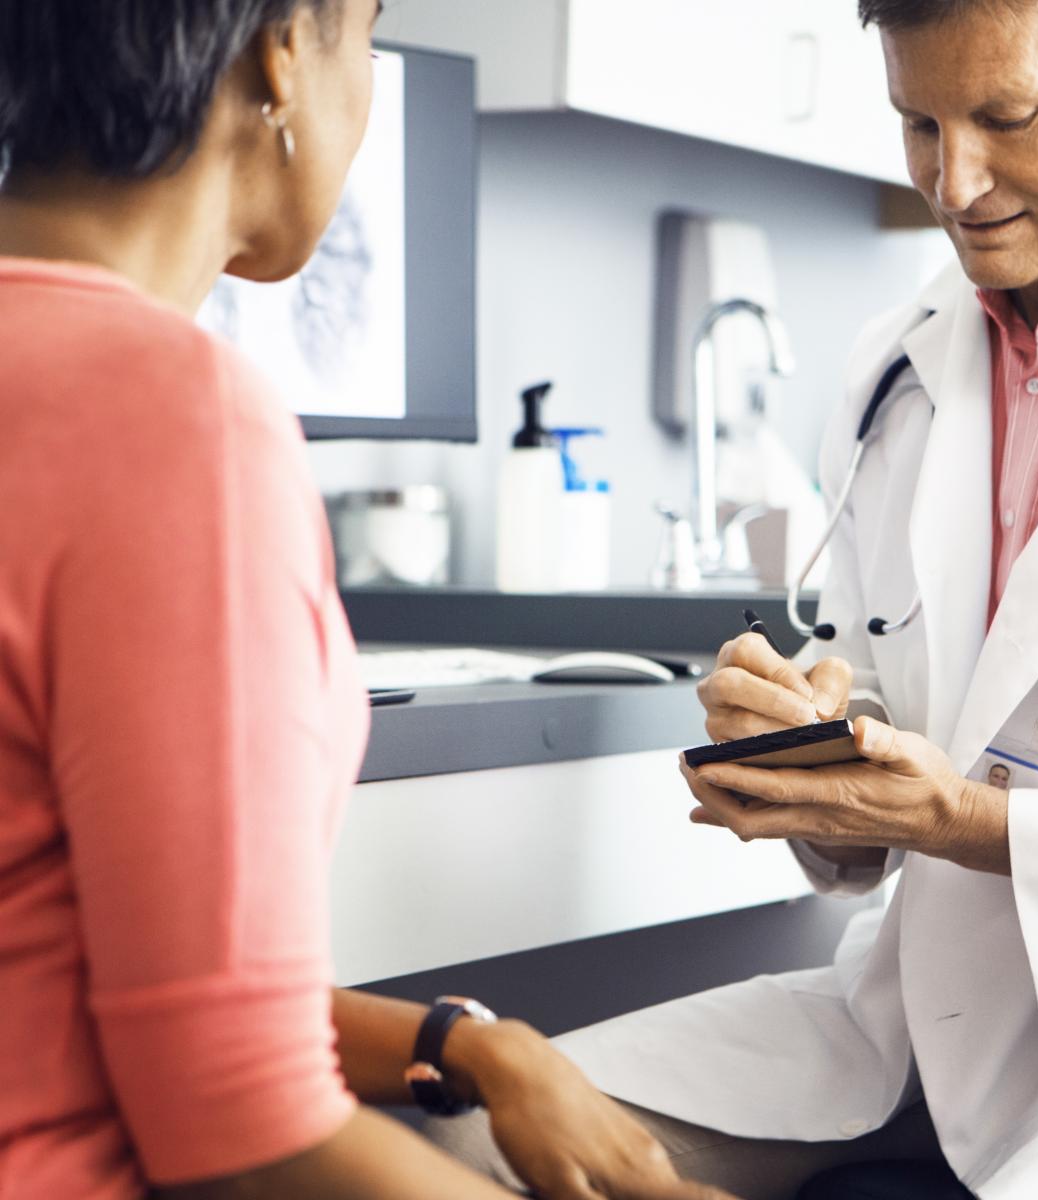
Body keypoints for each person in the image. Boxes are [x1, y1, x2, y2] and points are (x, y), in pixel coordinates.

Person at [432, 1, 1038, 1197]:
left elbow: (967, 796)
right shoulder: (901, 361)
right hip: (908, 1013)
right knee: (464, 1147)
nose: (956, 180)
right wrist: (814, 741)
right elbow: (897, 696)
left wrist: (964, 822)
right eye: (917, 123)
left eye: (1009, 116)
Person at [0, 4, 738, 1199]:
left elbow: (106, 972)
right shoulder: (176, 418)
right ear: (283, 48)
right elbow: (247, 1136)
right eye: (369, 35)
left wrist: (460, 1042)